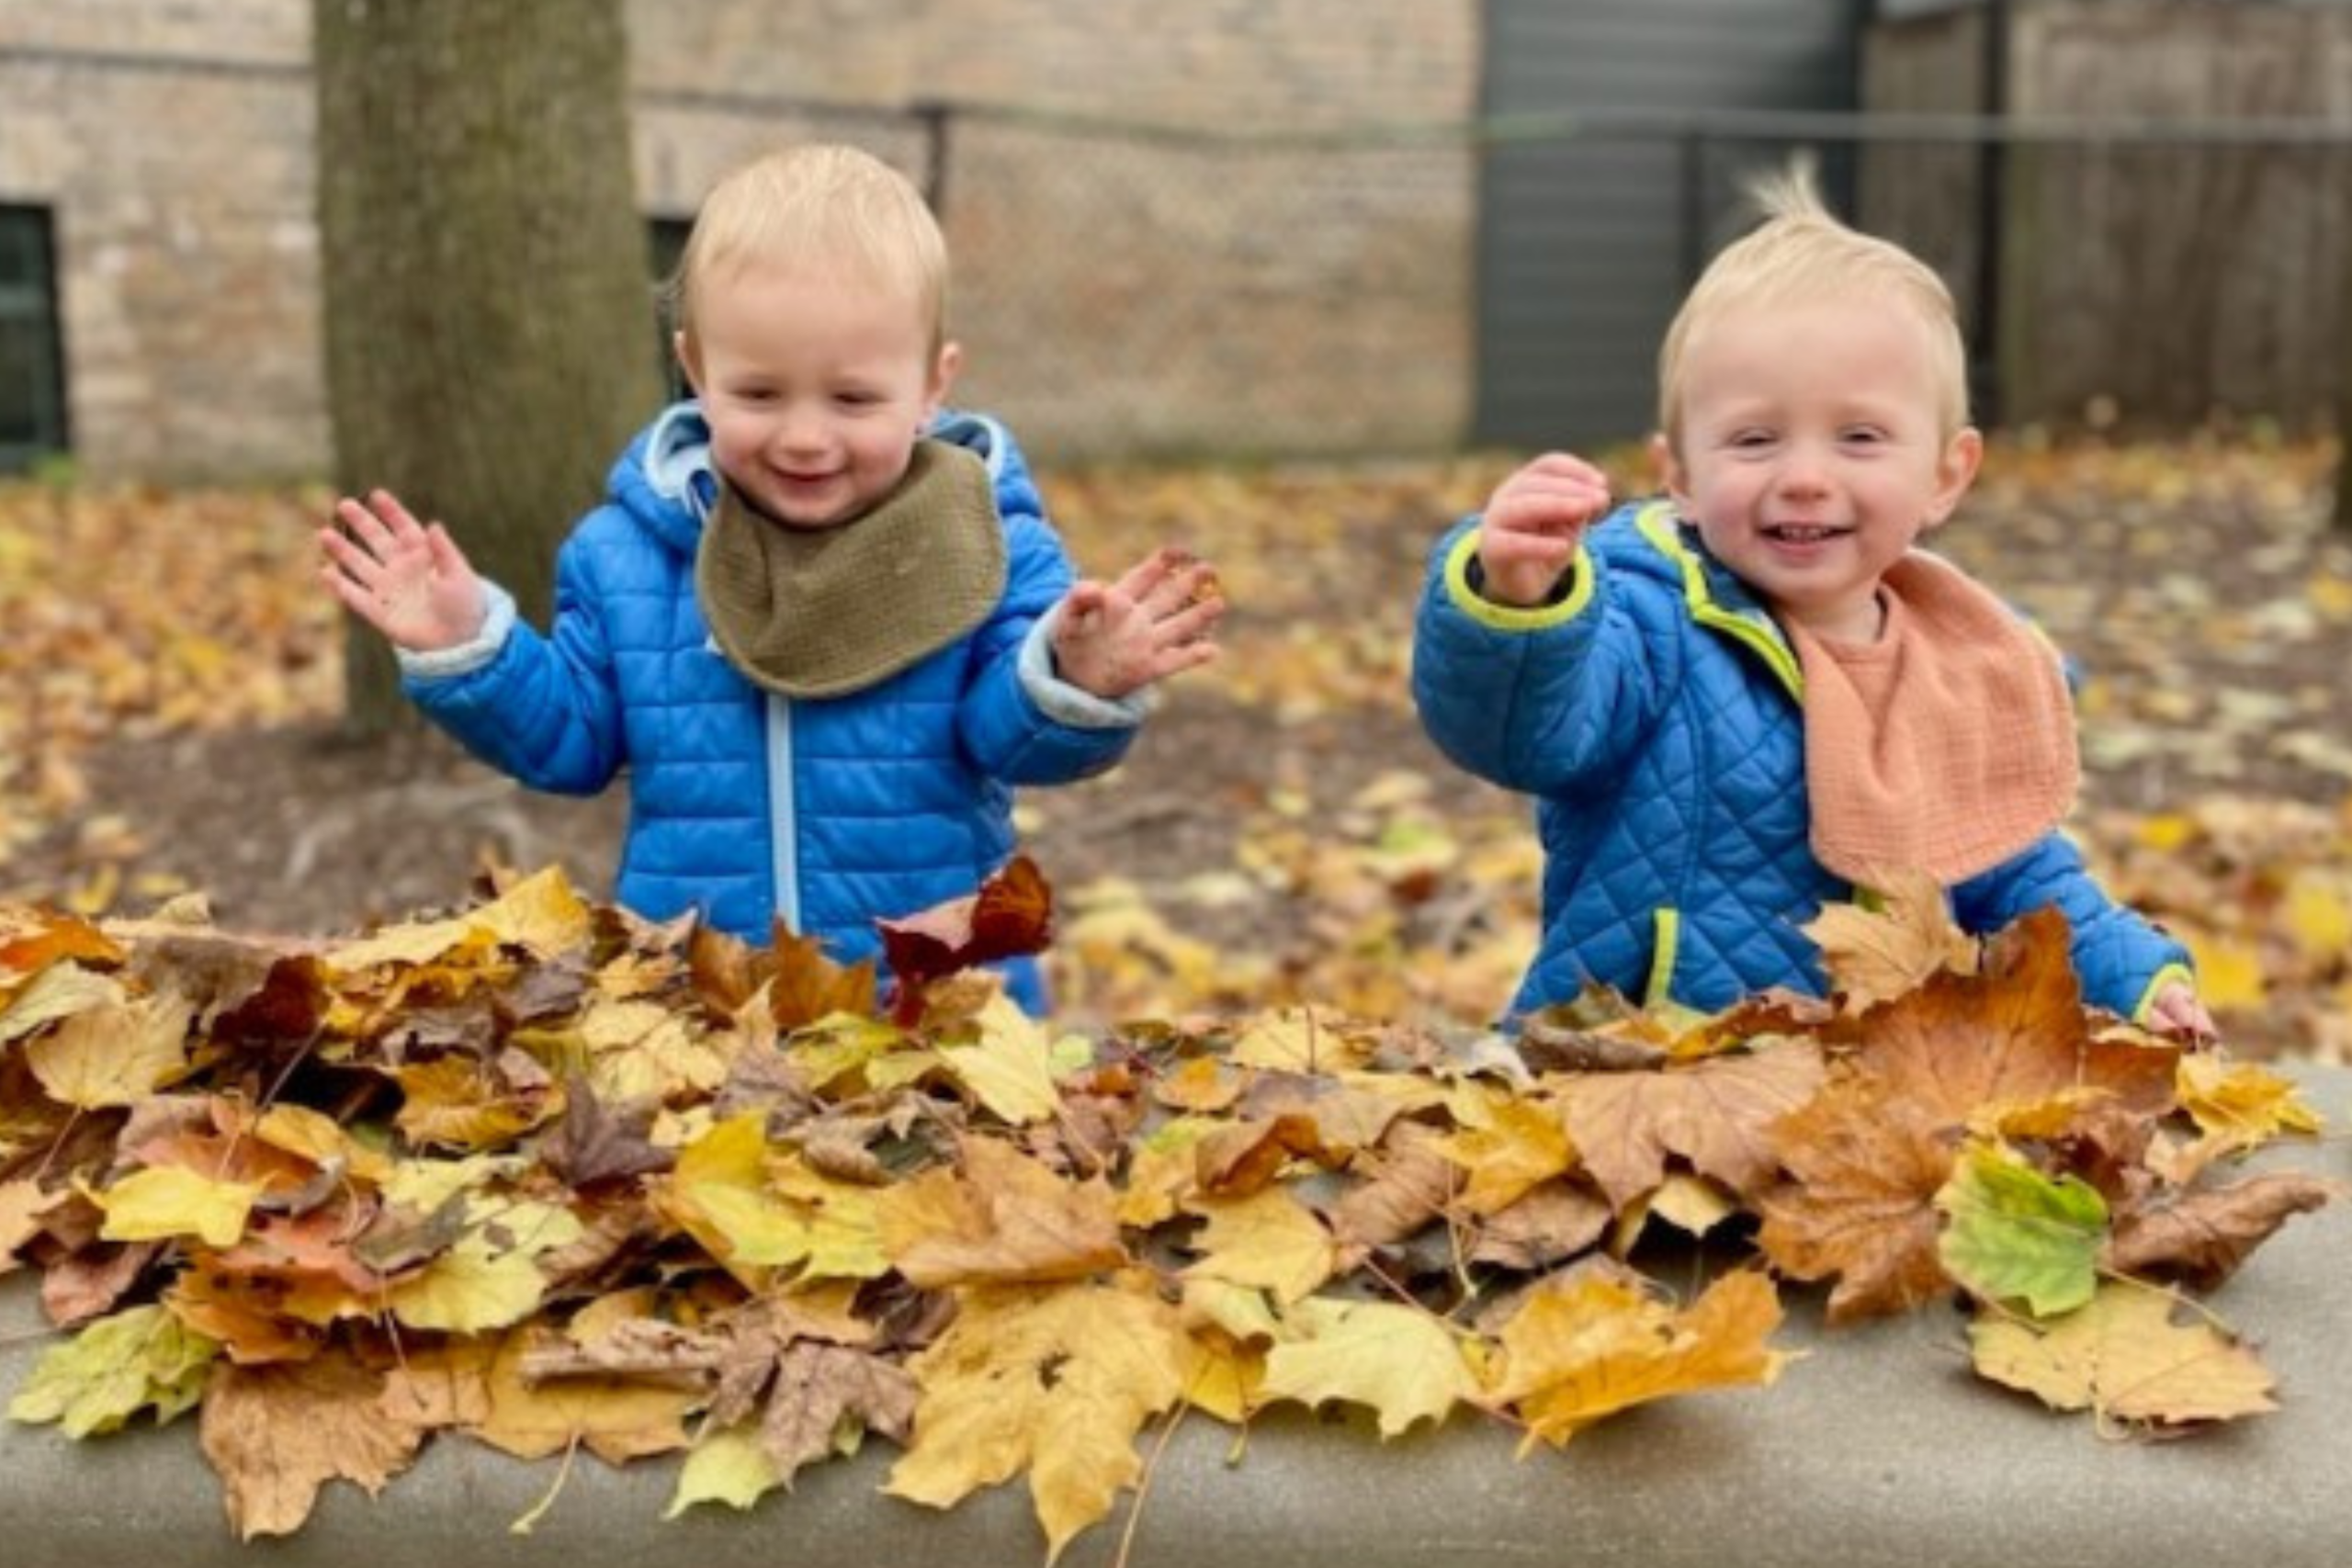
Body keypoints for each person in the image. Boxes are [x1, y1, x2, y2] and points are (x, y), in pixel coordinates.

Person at [318, 143, 1221, 1010]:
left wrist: (1072, 678)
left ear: (932, 385)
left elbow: (1009, 741)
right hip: (696, 1000)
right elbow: (571, 740)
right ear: (695, 372)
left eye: (854, 399)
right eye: (758, 394)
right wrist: (470, 644)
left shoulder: (985, 541)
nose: (803, 437)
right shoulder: (625, 554)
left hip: (932, 1006)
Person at [1411, 167, 2211, 1038]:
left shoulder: (1962, 663)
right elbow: (1527, 732)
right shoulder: (1646, 620)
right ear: (1679, 472)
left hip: (1860, 1098)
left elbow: (2011, 871)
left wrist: (2129, 973)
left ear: (1946, 474)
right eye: (1754, 439)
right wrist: (1523, 603)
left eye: (1859, 437)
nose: (1803, 478)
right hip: (1643, 1069)